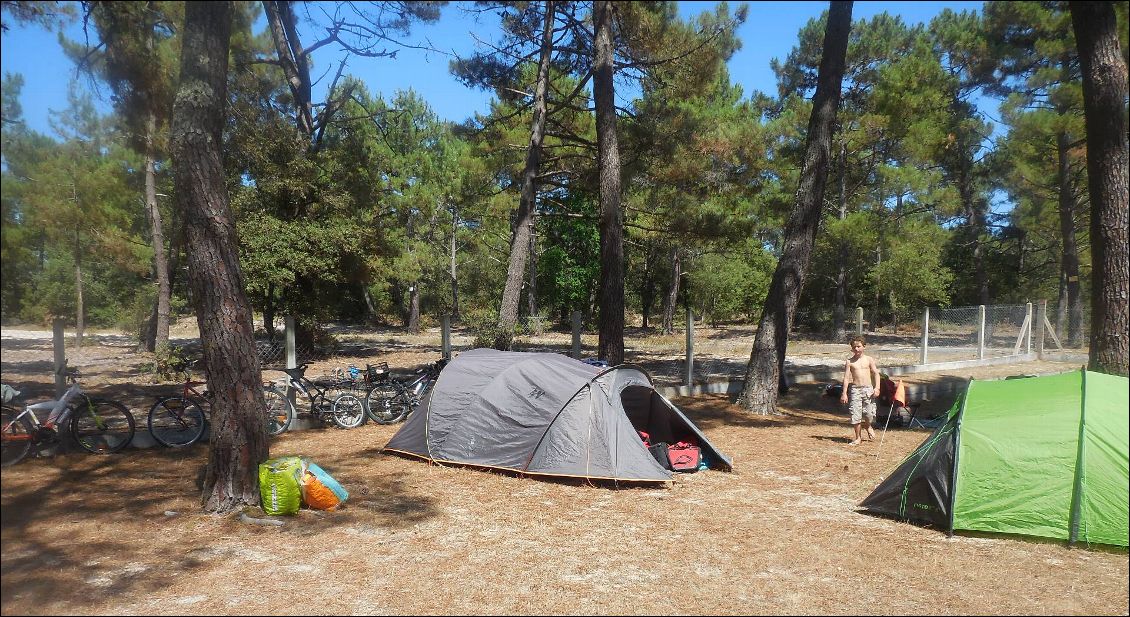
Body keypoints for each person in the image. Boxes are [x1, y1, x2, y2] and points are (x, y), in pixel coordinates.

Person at [839, 336, 879, 446]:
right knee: (855, 414)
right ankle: (858, 438)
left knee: (869, 414)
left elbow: (876, 373)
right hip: (855, 390)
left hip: (868, 390)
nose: (856, 349)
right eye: (854, 347)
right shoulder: (850, 362)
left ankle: (868, 426)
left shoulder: (869, 360)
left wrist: (877, 388)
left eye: (858, 346)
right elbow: (846, 378)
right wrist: (844, 393)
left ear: (864, 347)